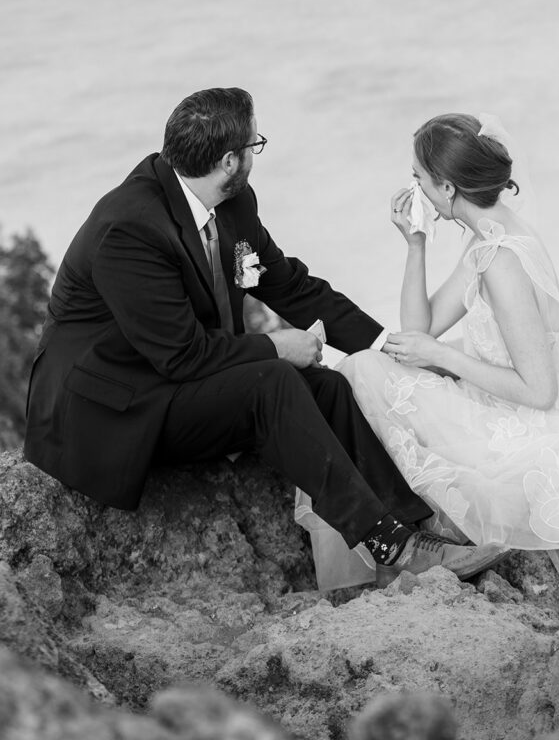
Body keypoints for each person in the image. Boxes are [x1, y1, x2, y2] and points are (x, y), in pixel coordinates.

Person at [23, 88, 506, 586]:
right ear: (230, 161)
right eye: (255, 145)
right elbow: (181, 356)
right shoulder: (130, 228)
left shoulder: (230, 203)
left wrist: (391, 347)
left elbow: (290, 286)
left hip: (171, 377)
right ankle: (389, 545)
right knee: (272, 382)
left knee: (328, 386)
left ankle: (412, 527)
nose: (257, 154)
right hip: (114, 410)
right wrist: (279, 346)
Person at [299, 112, 559, 593]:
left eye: (418, 178)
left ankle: (394, 539)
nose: (414, 188)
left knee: (360, 371)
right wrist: (416, 245)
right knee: (362, 369)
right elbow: (420, 329)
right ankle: (395, 534)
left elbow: (540, 392)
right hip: (501, 408)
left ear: (446, 187)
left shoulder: (503, 259)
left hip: (531, 429)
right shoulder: (487, 238)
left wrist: (444, 358)